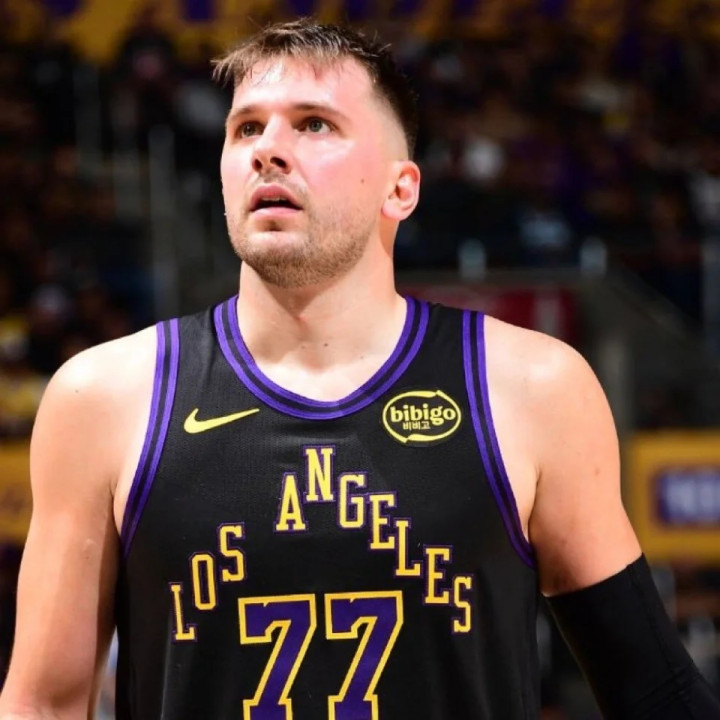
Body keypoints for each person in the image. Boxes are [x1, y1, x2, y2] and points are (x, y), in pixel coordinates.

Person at [0, 18, 719, 720]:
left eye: (313, 124)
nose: (268, 150)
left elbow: (653, 692)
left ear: (400, 189)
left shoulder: (532, 388)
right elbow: (42, 704)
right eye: (246, 129)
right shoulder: (104, 398)